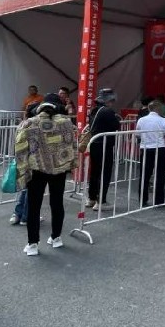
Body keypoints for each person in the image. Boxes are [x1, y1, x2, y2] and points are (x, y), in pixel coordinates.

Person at [15, 93, 78, 256]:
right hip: (59, 170)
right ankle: (56, 238)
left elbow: (20, 148)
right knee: (57, 203)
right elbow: (73, 146)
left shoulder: (29, 123)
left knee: (34, 207)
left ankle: (32, 244)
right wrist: (72, 164)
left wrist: (22, 170)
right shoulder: (66, 123)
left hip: (36, 170)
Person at [86, 88, 121, 211]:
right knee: (105, 173)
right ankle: (101, 201)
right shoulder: (107, 111)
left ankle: (91, 198)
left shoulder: (94, 110)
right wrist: (117, 118)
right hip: (104, 145)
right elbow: (116, 125)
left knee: (94, 172)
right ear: (109, 100)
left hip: (95, 144)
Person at [9, 100, 42, 226]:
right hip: (32, 160)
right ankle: (26, 216)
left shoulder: (23, 124)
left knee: (25, 188)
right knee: (31, 190)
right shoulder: (36, 125)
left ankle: (17, 213)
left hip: (22, 159)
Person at [136, 100, 165, 207]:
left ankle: (142, 200)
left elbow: (137, 135)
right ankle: (159, 200)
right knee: (160, 175)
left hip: (145, 148)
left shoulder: (141, 120)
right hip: (159, 148)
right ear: (158, 109)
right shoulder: (163, 120)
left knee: (144, 175)